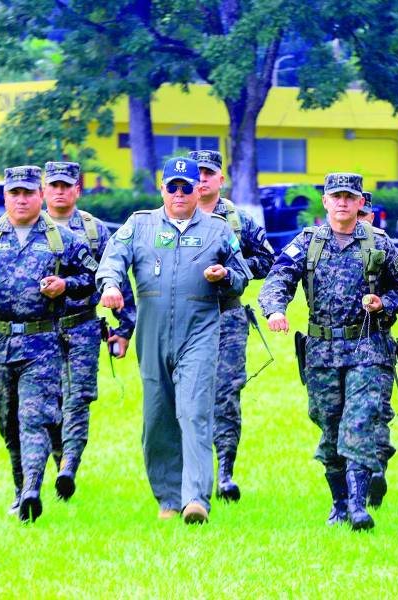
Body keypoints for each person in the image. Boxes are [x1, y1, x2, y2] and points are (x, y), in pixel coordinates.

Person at [96, 157, 249, 525]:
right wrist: (112, 285)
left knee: (194, 411)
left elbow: (242, 275)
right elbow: (113, 257)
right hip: (152, 329)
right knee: (157, 417)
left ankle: (196, 498)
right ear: (161, 189)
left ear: (199, 189)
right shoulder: (140, 224)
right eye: (172, 187)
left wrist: (225, 274)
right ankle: (168, 497)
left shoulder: (217, 228)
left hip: (199, 329)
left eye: (187, 187)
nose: (179, 194)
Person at [259, 173, 398, 530]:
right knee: (329, 426)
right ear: (325, 202)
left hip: (368, 348)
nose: (343, 202)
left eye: (350, 197)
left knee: (359, 423)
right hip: (321, 352)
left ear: (361, 202)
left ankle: (359, 505)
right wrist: (276, 309)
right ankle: (339, 503)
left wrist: (384, 303)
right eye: (336, 196)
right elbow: (278, 278)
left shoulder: (379, 243)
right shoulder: (307, 243)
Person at [0, 165, 98, 522]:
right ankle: (21, 488)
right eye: (14, 194)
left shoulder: (63, 239)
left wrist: (66, 286)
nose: (21, 200)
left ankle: (33, 489)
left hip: (42, 344)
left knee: (33, 417)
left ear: (40, 196)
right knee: (8, 424)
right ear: (5, 197)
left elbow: (93, 279)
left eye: (28, 193)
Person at [43, 161, 136, 501]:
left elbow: (117, 279)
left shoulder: (95, 231)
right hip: (38, 335)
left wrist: (124, 329)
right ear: (44, 190)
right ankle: (58, 459)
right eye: (53, 185)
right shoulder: (31, 227)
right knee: (47, 403)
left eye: (66, 185)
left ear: (77, 190)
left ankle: (69, 464)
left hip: (81, 327)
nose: (59, 191)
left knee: (78, 400)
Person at [190, 150, 275, 502]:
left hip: (227, 316)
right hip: (185, 319)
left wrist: (233, 271)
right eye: (195, 174)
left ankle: (225, 471)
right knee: (188, 395)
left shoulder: (238, 221)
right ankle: (193, 473)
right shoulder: (174, 216)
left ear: (220, 179)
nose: (201, 180)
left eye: (208, 173)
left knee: (225, 393)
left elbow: (267, 260)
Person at [356, 190, 392, 507]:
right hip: (330, 348)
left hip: (375, 343)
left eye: (363, 215)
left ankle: (374, 472)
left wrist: (385, 306)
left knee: (375, 413)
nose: (359, 220)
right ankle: (355, 482)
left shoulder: (381, 245)